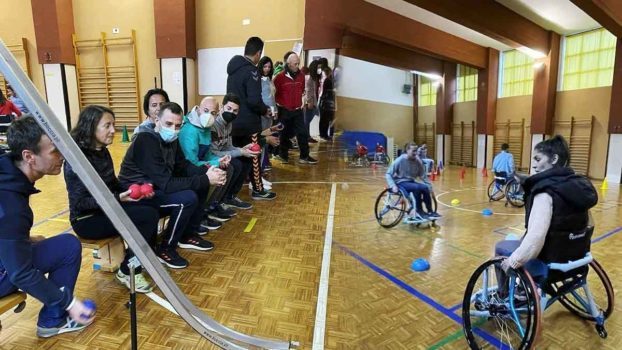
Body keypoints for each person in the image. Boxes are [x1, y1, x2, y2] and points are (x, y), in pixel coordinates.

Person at [0, 116, 94, 337]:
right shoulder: (11, 206)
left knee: (56, 244)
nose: (61, 156)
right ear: (28, 156)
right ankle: (53, 320)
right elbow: (20, 274)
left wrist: (22, 240)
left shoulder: (7, 173)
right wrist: (69, 303)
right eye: (54, 151)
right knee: (67, 247)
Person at [118, 102, 226, 269]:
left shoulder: (172, 140)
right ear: (156, 121)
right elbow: (166, 184)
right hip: (138, 196)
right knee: (187, 199)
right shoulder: (145, 140)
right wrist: (205, 179)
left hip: (157, 189)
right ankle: (166, 248)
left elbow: (183, 167)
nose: (173, 130)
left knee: (200, 184)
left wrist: (207, 172)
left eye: (178, 126)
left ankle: (188, 235)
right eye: (168, 124)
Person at [64, 105, 158, 293]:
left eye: (113, 125)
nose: (113, 131)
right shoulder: (77, 159)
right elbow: (80, 204)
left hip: (106, 210)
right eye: (107, 126)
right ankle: (128, 270)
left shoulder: (102, 150)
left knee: (150, 205)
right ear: (91, 127)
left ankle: (142, 258)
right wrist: (117, 198)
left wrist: (132, 191)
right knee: (147, 216)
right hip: (86, 219)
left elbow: (112, 183)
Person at [496, 135, 598, 273]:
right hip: (577, 257)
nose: (534, 164)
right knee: (519, 240)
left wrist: (513, 261)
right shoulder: (578, 187)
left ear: (554, 159)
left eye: (538, 159)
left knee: (502, 247)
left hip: (550, 260)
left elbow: (536, 238)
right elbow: (588, 224)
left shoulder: (545, 193)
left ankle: (504, 293)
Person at [226, 36, 277, 200]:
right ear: (258, 53)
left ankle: (231, 194)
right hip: (249, 123)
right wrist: (265, 110)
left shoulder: (233, 70)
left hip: (233, 123)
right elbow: (254, 100)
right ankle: (258, 190)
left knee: (239, 158)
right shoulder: (252, 71)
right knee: (253, 156)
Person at [178, 96, 237, 223]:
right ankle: (199, 215)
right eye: (206, 111)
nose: (209, 115)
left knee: (228, 167)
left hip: (198, 164)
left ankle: (211, 206)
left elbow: (207, 154)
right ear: (198, 110)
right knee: (213, 172)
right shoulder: (190, 131)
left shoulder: (206, 128)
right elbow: (191, 162)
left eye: (213, 113)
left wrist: (220, 160)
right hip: (188, 168)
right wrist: (215, 163)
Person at [210, 93, 258, 211]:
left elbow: (228, 147)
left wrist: (243, 149)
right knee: (235, 165)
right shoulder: (213, 125)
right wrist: (240, 152)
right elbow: (214, 153)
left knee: (246, 160)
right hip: (213, 157)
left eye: (235, 111)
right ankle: (218, 201)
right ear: (222, 107)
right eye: (229, 108)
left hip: (222, 155)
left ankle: (230, 197)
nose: (231, 113)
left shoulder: (229, 124)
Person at [273, 52, 318, 165]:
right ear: (288, 64)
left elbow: (302, 90)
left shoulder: (301, 76)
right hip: (284, 110)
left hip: (297, 110)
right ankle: (283, 156)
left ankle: (304, 156)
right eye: (295, 64)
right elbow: (274, 94)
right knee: (283, 133)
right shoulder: (279, 78)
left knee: (302, 132)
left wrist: (302, 101)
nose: (297, 66)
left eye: (298, 63)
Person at [385, 142, 441, 219]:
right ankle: (419, 211)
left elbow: (423, 176)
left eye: (416, 151)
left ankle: (430, 211)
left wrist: (430, 188)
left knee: (425, 188)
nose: (416, 153)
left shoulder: (417, 161)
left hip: (411, 182)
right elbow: (388, 174)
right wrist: (393, 186)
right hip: (400, 182)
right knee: (417, 187)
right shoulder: (400, 160)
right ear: (407, 150)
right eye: (413, 151)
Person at [257, 56, 277, 172]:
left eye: (269, 66)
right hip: (262, 113)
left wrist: (275, 111)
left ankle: (264, 162)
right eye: (265, 66)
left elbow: (272, 98)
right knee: (263, 138)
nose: (267, 69)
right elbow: (260, 99)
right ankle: (260, 165)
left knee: (267, 138)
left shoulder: (270, 79)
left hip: (270, 113)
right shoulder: (258, 80)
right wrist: (265, 110)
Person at [318, 66, 336, 141]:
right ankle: (324, 135)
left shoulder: (325, 79)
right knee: (325, 120)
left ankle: (322, 134)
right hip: (326, 102)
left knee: (323, 119)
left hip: (323, 101)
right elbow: (329, 91)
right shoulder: (328, 80)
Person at [304, 60, 320, 143]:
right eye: (318, 67)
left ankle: (307, 136)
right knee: (307, 120)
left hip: (313, 101)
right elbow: (308, 90)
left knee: (308, 120)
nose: (319, 69)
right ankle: (306, 137)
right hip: (310, 102)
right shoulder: (310, 78)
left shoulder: (314, 78)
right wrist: (310, 101)